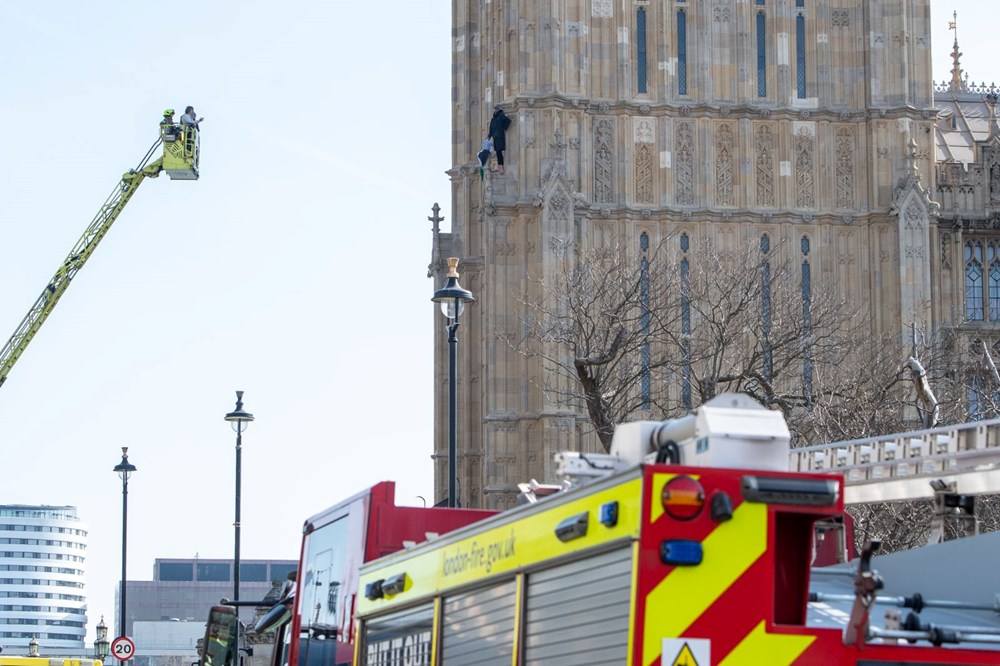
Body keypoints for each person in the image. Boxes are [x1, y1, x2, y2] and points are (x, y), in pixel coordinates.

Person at [487, 104, 512, 175]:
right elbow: (491, 129)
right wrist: (489, 136)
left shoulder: (501, 116)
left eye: (495, 109)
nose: (494, 110)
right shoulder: (493, 119)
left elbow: (508, 121)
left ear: (498, 109)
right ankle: (500, 165)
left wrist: (504, 128)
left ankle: (501, 166)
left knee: (499, 151)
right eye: (494, 109)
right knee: (498, 152)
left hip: (500, 136)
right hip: (495, 137)